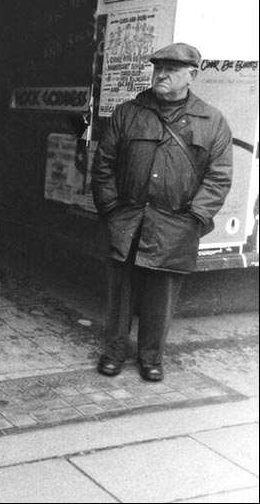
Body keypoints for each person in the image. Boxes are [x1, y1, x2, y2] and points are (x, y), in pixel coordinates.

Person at [91, 42, 233, 381]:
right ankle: (114, 352)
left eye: (171, 69)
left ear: (192, 75)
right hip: (128, 219)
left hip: (176, 224)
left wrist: (194, 220)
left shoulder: (212, 121)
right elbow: (103, 166)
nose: (161, 74)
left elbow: (219, 177)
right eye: (158, 68)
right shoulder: (128, 113)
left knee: (161, 296)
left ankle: (151, 357)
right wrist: (111, 210)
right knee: (121, 294)